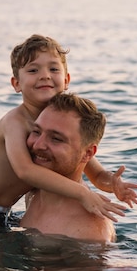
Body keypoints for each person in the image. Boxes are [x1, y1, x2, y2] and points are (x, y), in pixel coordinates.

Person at [0, 34, 137, 234]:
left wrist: (114, 185)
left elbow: (96, 174)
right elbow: (25, 171)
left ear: (66, 80)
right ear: (16, 84)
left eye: (53, 69)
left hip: (2, 212)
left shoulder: (60, 124)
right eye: (33, 70)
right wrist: (82, 193)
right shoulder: (15, 122)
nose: (45, 75)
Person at [20, 93, 116, 242]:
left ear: (88, 153)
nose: (38, 145)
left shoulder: (88, 231)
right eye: (36, 131)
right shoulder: (34, 190)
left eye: (56, 139)